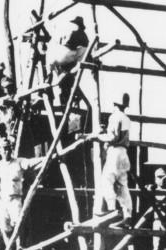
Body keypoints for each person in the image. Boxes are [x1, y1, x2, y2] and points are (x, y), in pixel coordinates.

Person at [86, 93, 133, 228]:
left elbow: (112, 137)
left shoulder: (115, 117)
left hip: (115, 153)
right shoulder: (126, 119)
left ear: (115, 105)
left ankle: (112, 209)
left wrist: (97, 137)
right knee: (122, 185)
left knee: (106, 180)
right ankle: (127, 215)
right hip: (124, 153)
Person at [0, 139, 46, 241]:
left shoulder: (19, 162)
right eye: (3, 149)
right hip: (2, 201)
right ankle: (9, 249)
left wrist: (46, 157)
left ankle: (18, 249)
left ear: (11, 149)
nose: (5, 151)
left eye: (7, 149)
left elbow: (31, 162)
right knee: (4, 228)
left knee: (18, 226)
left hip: (15, 200)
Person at [48, 16, 89, 107]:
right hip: (78, 58)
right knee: (68, 80)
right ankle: (70, 96)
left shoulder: (73, 33)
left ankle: (49, 79)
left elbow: (68, 45)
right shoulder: (85, 36)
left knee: (52, 63)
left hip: (70, 56)